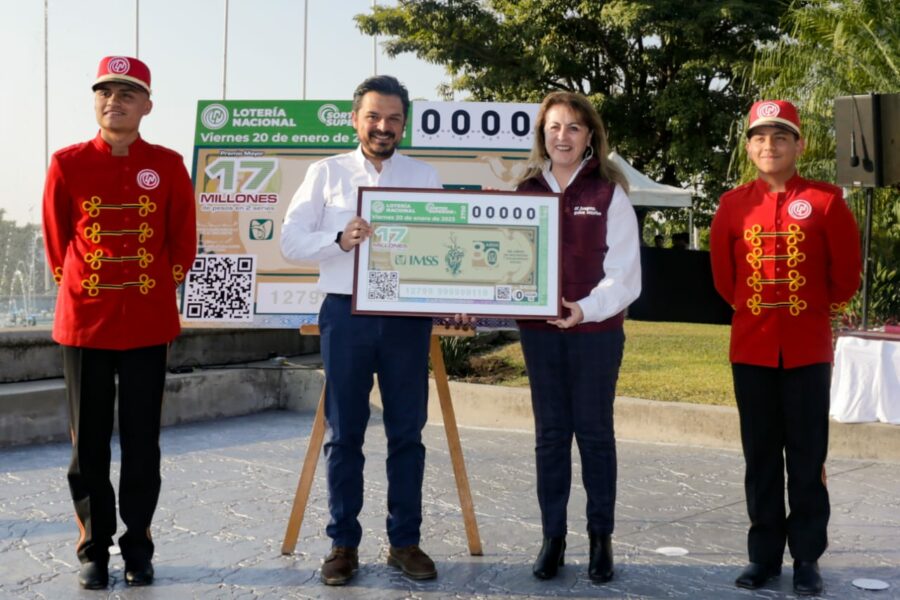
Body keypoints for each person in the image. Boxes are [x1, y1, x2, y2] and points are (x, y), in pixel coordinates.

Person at [41, 56, 197, 589]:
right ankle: (93, 547)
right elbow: (57, 241)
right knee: (87, 444)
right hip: (85, 322)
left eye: (127, 94)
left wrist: (155, 288)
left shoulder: (170, 164)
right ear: (95, 102)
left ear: (147, 105)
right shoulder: (67, 163)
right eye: (106, 92)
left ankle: (138, 545)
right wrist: (84, 290)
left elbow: (182, 242)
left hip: (148, 322)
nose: (115, 101)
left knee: (141, 441)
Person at [280, 75, 442, 586]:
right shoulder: (325, 172)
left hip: (406, 319)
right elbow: (290, 241)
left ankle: (404, 542)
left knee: (407, 434)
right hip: (345, 313)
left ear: (404, 124)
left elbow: (440, 252)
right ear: (355, 119)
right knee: (345, 433)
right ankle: (342, 544)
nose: (383, 126)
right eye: (374, 116)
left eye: (394, 118)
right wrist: (338, 236)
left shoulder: (424, 176)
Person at [709, 100, 860, 596]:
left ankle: (808, 558)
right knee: (760, 459)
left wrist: (804, 308)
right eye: (759, 137)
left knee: (807, 458)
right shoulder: (733, 204)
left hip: (807, 350)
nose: (768, 146)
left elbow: (846, 279)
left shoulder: (827, 200)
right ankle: (764, 558)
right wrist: (760, 312)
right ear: (748, 146)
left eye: (780, 137)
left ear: (799, 145)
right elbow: (724, 279)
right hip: (751, 349)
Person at [514, 91, 641, 583]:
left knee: (593, 434)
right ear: (541, 136)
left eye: (572, 127)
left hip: (597, 333)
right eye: (553, 127)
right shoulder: (526, 190)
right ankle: (552, 538)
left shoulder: (609, 192)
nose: (561, 136)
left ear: (590, 136)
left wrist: (584, 309)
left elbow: (626, 276)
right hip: (539, 333)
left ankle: (599, 539)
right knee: (549, 437)